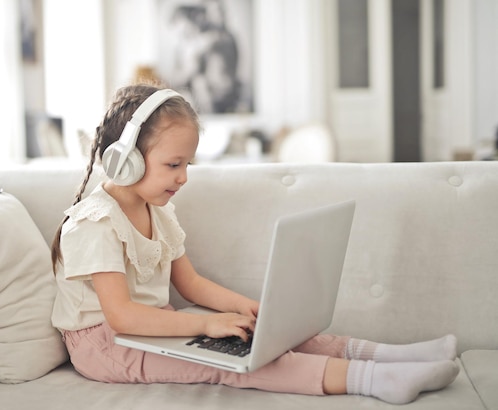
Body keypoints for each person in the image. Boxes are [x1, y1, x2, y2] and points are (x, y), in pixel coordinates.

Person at [50, 83, 459, 404]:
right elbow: (121, 316)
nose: (183, 178)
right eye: (173, 165)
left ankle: (388, 355)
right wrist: (205, 323)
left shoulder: (158, 211)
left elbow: (190, 283)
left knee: (264, 332)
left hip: (150, 326)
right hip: (104, 346)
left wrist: (246, 308)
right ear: (126, 160)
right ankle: (375, 380)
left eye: (187, 165)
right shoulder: (95, 222)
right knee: (233, 361)